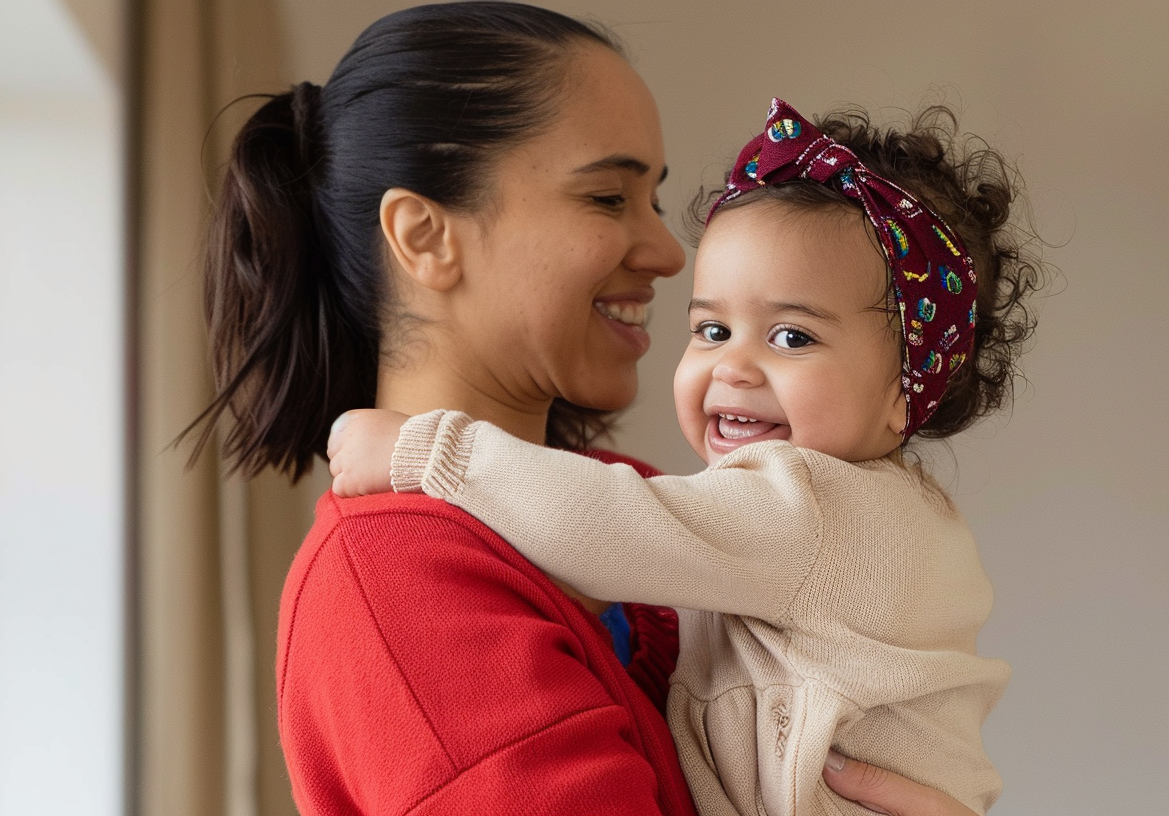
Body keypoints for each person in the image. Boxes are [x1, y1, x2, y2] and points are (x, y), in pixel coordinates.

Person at [190, 2, 992, 814]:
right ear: (426, 236)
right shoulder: (398, 579)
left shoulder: (637, 514)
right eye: (609, 198)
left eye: (653, 199)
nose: (670, 251)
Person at [326, 98, 1045, 816]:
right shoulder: (867, 513)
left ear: (907, 391)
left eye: (792, 337)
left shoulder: (813, 508)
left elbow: (606, 523)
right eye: (711, 329)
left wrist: (429, 449)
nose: (733, 366)